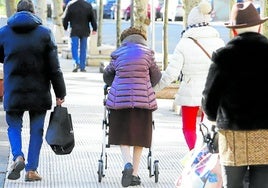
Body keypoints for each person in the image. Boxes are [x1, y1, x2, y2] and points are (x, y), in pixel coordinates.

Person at [201, 2, 268, 188]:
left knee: (233, 184)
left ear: (234, 30)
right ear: (260, 27)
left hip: (232, 133)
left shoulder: (223, 55)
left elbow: (210, 97)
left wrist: (213, 117)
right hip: (266, 131)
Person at [0, 0, 66, 182]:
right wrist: (60, 93)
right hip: (39, 91)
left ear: (16, 12)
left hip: (13, 90)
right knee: (36, 130)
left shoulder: (4, 33)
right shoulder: (45, 34)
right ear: (33, 13)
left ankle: (18, 156)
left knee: (14, 126)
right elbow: (55, 68)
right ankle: (31, 170)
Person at [153, 0, 225, 150]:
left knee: (188, 128)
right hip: (213, 93)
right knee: (210, 128)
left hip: (190, 91)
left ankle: (193, 156)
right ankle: (207, 156)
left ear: (190, 22)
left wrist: (153, 89)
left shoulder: (184, 43)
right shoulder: (219, 42)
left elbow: (171, 73)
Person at [103, 27, 161, 187]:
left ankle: (127, 164)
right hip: (143, 102)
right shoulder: (148, 53)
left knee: (123, 134)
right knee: (140, 137)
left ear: (125, 39)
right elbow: (156, 77)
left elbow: (107, 76)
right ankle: (134, 174)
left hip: (120, 101)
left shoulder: (118, 53)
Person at [63, 0, 97, 72]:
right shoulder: (88, 5)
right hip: (85, 30)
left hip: (74, 30)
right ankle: (82, 66)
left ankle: (76, 63)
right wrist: (94, 28)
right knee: (83, 48)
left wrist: (65, 27)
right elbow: (93, 18)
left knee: (74, 47)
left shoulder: (71, 5)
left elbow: (65, 18)